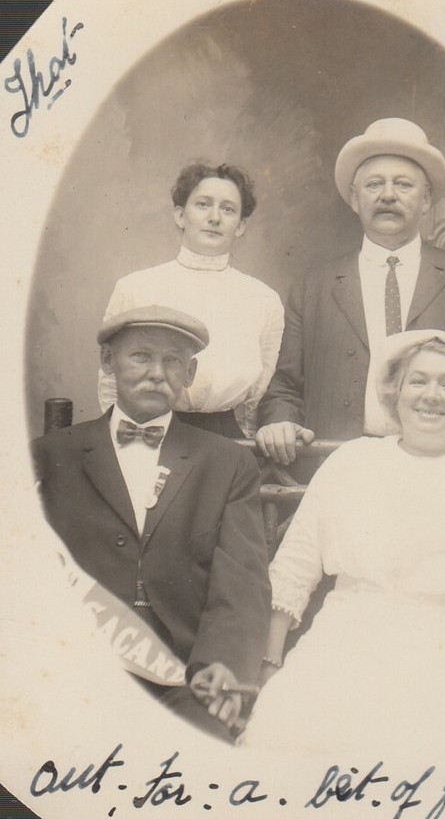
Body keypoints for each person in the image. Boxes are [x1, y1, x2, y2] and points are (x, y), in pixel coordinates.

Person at [244, 330, 445, 755]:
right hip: (341, 643)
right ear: (396, 391)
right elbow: (295, 566)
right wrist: (270, 664)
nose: (432, 396)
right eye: (418, 381)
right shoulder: (353, 461)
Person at [33, 305, 272, 742]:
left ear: (190, 372)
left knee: (196, 761)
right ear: (109, 362)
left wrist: (222, 665)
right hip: (77, 667)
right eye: (140, 356)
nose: (156, 373)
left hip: (184, 675)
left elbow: (242, 584)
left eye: (172, 361)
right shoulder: (51, 455)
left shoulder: (227, 463)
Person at [256, 117, 445, 466]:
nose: (387, 195)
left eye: (403, 184)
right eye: (374, 185)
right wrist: (281, 419)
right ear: (354, 200)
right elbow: (284, 388)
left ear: (427, 199)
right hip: (339, 464)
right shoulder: (315, 286)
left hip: (440, 467)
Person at [99, 162, 284, 439]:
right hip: (149, 431)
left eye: (228, 209)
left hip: (226, 439)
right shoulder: (136, 287)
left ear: (241, 226)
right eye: (203, 204)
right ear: (180, 216)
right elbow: (111, 381)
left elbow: (256, 396)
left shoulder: (264, 299)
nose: (214, 217)